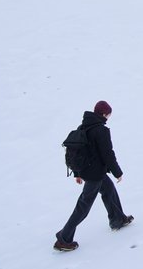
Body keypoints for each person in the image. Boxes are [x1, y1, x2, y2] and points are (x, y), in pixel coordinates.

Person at [54, 101, 133, 251]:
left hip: (91, 171)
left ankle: (117, 219)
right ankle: (63, 238)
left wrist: (77, 173)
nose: (109, 116)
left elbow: (77, 150)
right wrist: (118, 172)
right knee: (83, 206)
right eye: (109, 114)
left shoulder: (84, 126)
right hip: (94, 174)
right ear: (104, 114)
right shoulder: (101, 131)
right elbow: (108, 155)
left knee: (109, 190)